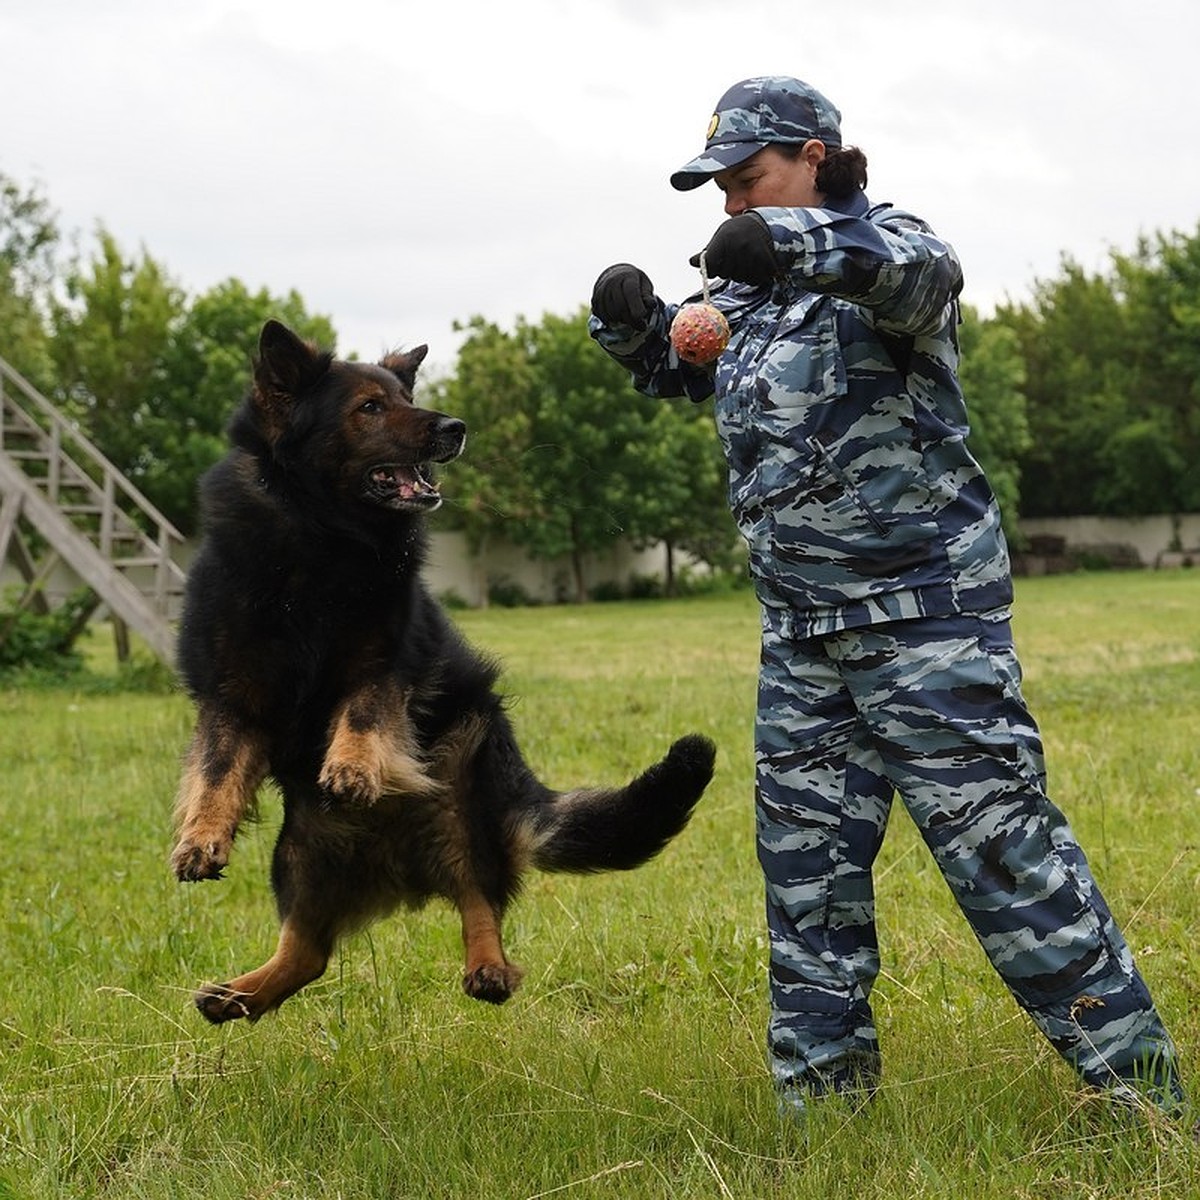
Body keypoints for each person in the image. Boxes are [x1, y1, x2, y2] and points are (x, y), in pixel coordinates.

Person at [588, 75, 1184, 1117]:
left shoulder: (886, 248)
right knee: (808, 883)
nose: (732, 202)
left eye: (750, 177)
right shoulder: (743, 295)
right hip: (804, 639)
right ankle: (826, 1121)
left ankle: (1147, 1103)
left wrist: (797, 245)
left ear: (814, 155)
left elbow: (918, 276)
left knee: (1009, 865)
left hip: (924, 627)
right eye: (720, 187)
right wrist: (634, 330)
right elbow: (687, 374)